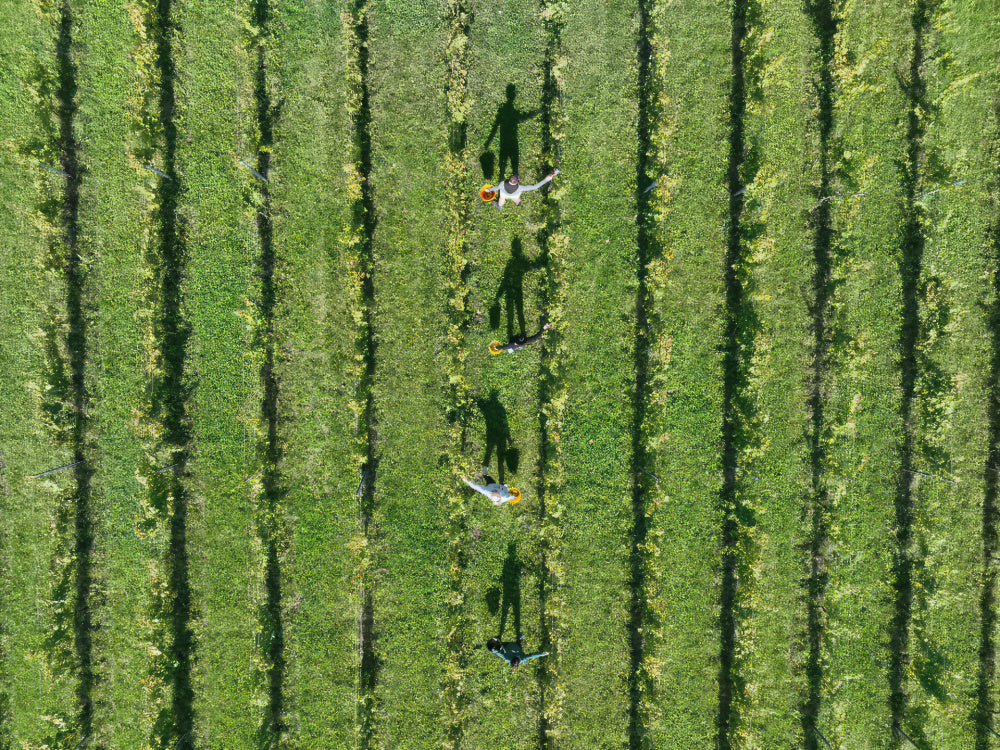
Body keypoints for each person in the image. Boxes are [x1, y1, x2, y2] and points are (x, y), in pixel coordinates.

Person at [496, 170, 560, 209]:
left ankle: (500, 206)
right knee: (517, 201)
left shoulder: (503, 184)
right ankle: (517, 204)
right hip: (514, 196)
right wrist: (546, 179)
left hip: (504, 195)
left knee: (501, 202)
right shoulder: (520, 188)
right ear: (517, 182)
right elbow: (535, 187)